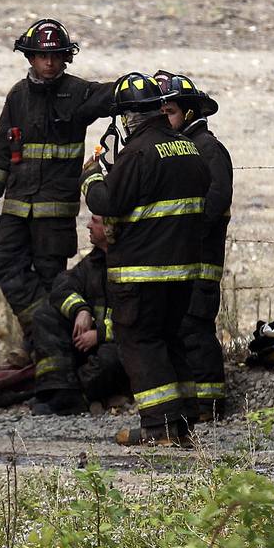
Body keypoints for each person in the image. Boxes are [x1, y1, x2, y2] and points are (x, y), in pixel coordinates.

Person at [0, 18, 114, 415]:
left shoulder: (78, 94)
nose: (50, 63)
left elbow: (112, 96)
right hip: (18, 207)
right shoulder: (17, 96)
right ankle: (41, 336)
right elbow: (0, 150)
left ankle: (51, 363)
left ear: (65, 58)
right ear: (30, 56)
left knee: (49, 279)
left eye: (57, 56)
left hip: (54, 214)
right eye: (43, 56)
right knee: (1, 262)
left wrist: (146, 85)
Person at [81, 72, 209, 446]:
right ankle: (182, 424)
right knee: (170, 340)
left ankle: (159, 427)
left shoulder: (137, 153)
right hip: (183, 271)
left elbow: (109, 203)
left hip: (141, 272)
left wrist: (91, 178)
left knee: (140, 342)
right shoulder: (190, 149)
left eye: (123, 116)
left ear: (130, 116)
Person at [158, 72, 233, 422]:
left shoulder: (208, 149)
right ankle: (191, 402)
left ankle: (210, 405)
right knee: (179, 327)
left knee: (195, 327)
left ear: (189, 113)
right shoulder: (180, 149)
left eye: (170, 111)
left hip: (201, 260)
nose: (164, 119)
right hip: (178, 259)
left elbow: (214, 203)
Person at [35, 215, 128, 409]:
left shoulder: (131, 267)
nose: (88, 225)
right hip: (94, 341)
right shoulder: (95, 261)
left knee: (110, 359)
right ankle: (60, 389)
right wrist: (81, 310)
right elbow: (62, 287)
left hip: (121, 344)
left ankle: (81, 397)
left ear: (111, 228)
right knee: (45, 315)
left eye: (95, 221)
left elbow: (139, 321)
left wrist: (100, 334)